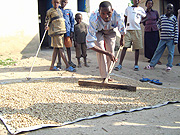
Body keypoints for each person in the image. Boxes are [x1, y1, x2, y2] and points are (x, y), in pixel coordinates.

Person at [86, 1, 125, 82]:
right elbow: (90, 44)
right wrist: (106, 53)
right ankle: (104, 76)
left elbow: (122, 27)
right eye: (103, 13)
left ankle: (108, 74)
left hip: (110, 31)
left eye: (109, 13)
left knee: (111, 50)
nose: (106, 16)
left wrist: (122, 39)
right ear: (99, 12)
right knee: (101, 49)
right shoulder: (94, 18)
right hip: (98, 31)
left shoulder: (117, 15)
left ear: (112, 10)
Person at [144, 3, 178, 71]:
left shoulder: (174, 18)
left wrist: (175, 40)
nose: (169, 10)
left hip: (170, 39)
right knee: (157, 51)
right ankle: (152, 65)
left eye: (170, 8)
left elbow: (176, 29)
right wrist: (160, 28)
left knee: (170, 53)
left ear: (173, 10)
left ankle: (169, 66)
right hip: (163, 39)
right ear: (166, 9)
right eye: (168, 8)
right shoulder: (162, 17)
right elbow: (158, 23)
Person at [114, 0, 146, 71]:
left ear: (139, 1)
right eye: (135, 0)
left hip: (137, 30)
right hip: (128, 30)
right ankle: (120, 64)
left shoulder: (141, 9)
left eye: (138, 0)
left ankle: (136, 65)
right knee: (125, 47)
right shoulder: (128, 9)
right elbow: (125, 19)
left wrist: (140, 22)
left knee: (137, 48)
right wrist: (124, 30)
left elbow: (145, 17)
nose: (136, 1)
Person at [45, 0, 76, 72]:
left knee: (56, 49)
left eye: (57, 2)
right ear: (52, 3)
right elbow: (47, 20)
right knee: (61, 48)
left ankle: (52, 66)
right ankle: (68, 66)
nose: (56, 4)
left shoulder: (60, 11)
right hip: (56, 32)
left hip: (62, 32)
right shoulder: (50, 11)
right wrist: (46, 26)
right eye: (54, 2)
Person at [57, 0, 76, 69]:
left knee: (68, 47)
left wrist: (72, 31)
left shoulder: (69, 11)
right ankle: (59, 62)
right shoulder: (56, 10)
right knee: (59, 47)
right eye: (62, 1)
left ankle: (69, 61)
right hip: (59, 31)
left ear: (66, 3)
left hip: (67, 31)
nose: (63, 3)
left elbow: (72, 21)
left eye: (64, 2)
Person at [142, 0, 161, 64]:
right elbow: (143, 22)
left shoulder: (155, 12)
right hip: (147, 30)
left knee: (156, 44)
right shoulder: (144, 13)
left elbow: (158, 20)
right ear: (146, 5)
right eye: (148, 3)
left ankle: (156, 59)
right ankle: (151, 58)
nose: (150, 5)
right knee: (149, 45)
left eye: (151, 4)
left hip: (155, 30)